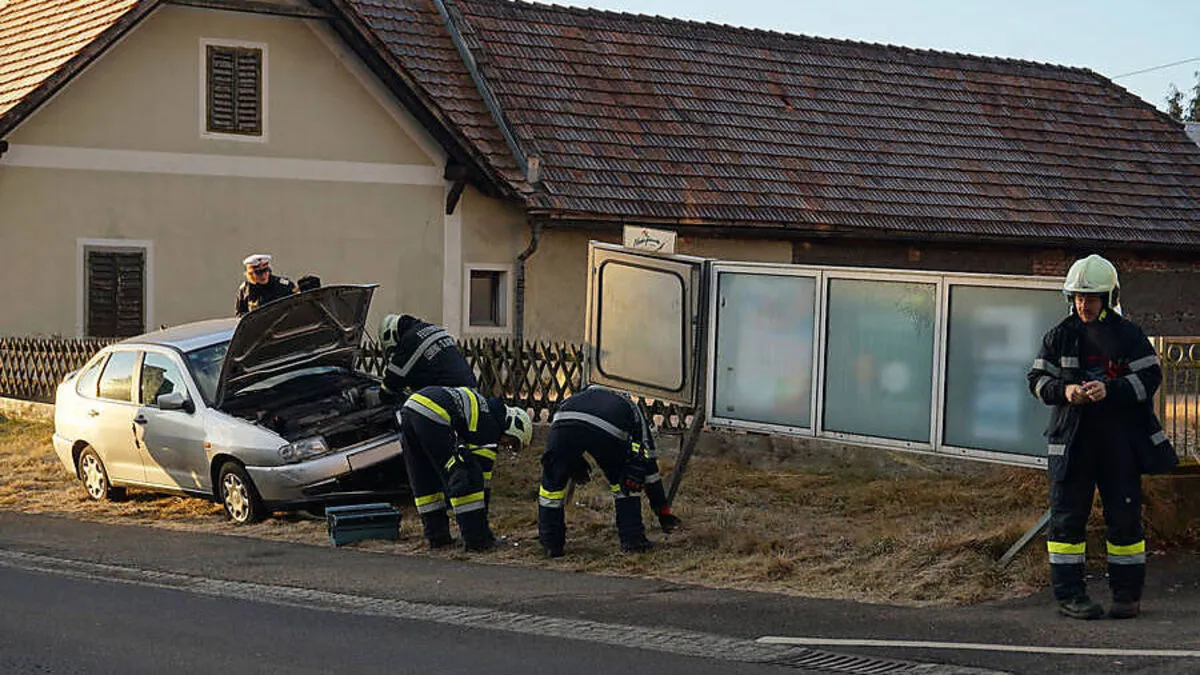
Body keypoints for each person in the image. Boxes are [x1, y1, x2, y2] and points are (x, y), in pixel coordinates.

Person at [1027, 254, 1177, 620]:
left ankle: (1126, 597)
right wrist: (1066, 392)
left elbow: (1150, 378)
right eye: (1079, 297)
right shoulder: (1059, 335)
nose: (1084, 304)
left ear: (1109, 297)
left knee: (1125, 521)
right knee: (1066, 523)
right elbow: (1037, 380)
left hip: (1118, 444)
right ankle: (1070, 597)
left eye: (1092, 298)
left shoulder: (1129, 336)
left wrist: (1111, 390)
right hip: (1073, 443)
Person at [538, 385, 681, 558]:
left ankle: (551, 544)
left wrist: (571, 461)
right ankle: (633, 542)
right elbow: (649, 469)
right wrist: (663, 512)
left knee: (551, 486)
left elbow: (567, 434)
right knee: (625, 482)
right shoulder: (630, 406)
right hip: (607, 429)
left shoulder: (573, 399)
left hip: (563, 422)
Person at [399, 385, 532, 551]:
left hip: (410, 410)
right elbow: (481, 477)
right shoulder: (490, 425)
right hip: (433, 413)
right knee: (467, 477)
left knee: (425, 478)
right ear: (513, 424)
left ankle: (438, 537)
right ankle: (477, 541)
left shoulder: (485, 409)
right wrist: (483, 523)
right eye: (511, 442)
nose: (505, 446)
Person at [378, 314, 478, 397]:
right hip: (472, 393)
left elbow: (391, 382)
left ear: (392, 335)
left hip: (448, 396)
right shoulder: (434, 329)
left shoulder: (410, 339)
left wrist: (384, 394)